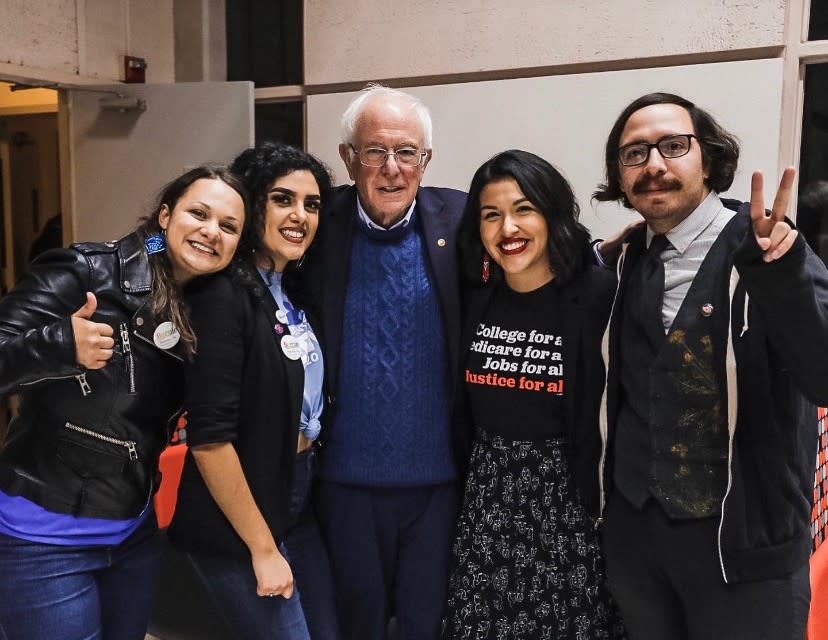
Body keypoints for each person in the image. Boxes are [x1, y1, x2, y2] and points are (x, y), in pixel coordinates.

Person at [592, 92, 828, 639]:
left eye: (674, 146)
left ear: (709, 157)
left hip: (741, 546)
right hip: (638, 542)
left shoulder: (768, 249)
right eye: (634, 154)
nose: (653, 164)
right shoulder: (620, 263)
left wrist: (786, 274)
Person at [0, 165, 248, 640]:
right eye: (199, 213)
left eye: (228, 226)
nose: (211, 231)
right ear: (164, 215)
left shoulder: (205, 300)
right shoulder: (86, 271)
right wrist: (58, 346)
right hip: (44, 540)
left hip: (132, 535)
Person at [441, 149, 624, 639]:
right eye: (491, 215)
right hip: (487, 502)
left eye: (524, 209)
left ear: (551, 214)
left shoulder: (599, 296)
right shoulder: (472, 297)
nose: (508, 229)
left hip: (569, 504)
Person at [307, 84, 466, 639]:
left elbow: (548, 246)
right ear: (349, 158)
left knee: (427, 626)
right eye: (375, 151)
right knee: (357, 626)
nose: (392, 169)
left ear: (427, 160)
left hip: (438, 485)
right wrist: (142, 256)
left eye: (407, 153)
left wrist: (623, 245)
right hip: (343, 483)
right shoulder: (314, 221)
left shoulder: (462, 218)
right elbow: (209, 239)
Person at [167, 142, 338, 640]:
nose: (299, 216)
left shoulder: (292, 289)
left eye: (310, 204)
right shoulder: (224, 296)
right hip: (239, 519)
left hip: (295, 495)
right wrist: (262, 549)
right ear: (252, 204)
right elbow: (210, 440)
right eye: (282, 199)